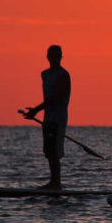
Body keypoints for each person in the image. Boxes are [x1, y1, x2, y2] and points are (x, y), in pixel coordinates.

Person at [24, 44, 71, 189]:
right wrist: (37, 111)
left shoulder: (64, 75)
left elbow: (55, 97)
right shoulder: (45, 74)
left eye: (58, 55)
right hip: (48, 118)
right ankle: (53, 182)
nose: (55, 58)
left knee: (55, 152)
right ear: (48, 57)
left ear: (61, 57)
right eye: (52, 56)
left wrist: (36, 110)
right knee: (49, 151)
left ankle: (56, 183)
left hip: (58, 119)